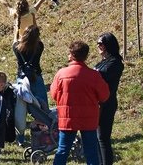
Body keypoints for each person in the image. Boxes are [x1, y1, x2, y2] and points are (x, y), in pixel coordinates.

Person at [50, 41, 110, 165]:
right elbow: (104, 96)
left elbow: (54, 95)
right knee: (91, 152)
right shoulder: (94, 75)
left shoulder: (61, 74)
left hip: (68, 118)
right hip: (88, 118)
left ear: (71, 55)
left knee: (62, 151)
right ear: (86, 56)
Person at [93, 33, 124, 165]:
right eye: (98, 44)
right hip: (97, 103)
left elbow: (101, 76)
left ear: (108, 45)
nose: (99, 46)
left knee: (103, 138)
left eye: (101, 43)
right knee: (98, 138)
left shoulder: (116, 63)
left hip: (107, 103)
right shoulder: (102, 62)